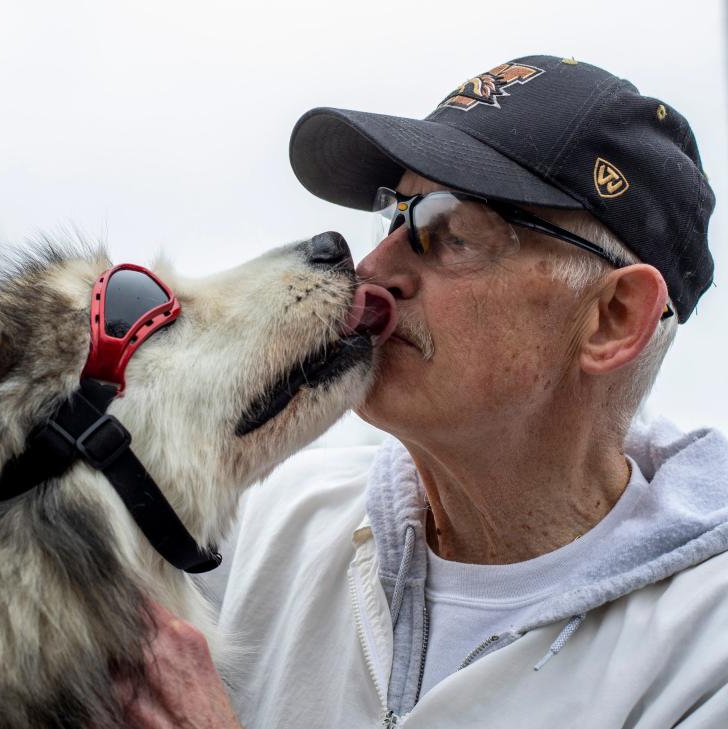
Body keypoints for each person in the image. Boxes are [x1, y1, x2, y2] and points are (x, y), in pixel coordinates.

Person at [126, 55, 727, 728]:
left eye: (451, 231)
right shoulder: (271, 517)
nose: (375, 268)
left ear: (612, 317)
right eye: (395, 216)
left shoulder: (706, 650)